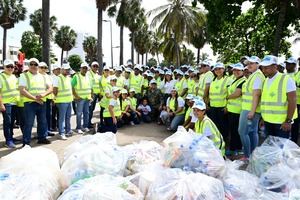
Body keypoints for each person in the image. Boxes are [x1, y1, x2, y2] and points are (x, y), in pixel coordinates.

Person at [260, 55, 297, 138]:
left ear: (275, 66)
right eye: (263, 67)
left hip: (281, 123)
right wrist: (263, 118)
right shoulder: (266, 81)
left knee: (281, 149)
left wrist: (288, 121)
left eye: (267, 67)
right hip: (267, 121)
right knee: (271, 147)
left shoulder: (286, 79)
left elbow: (293, 101)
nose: (264, 70)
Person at [19, 58, 52, 146]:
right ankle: (26, 142)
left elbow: (50, 88)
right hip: (30, 103)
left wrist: (43, 95)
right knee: (28, 123)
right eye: (31, 64)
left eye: (35, 64)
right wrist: (35, 99)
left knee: (42, 121)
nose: (33, 66)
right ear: (28, 66)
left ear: (38, 66)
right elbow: (22, 90)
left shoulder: (44, 76)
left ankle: (42, 138)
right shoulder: (24, 76)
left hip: (42, 102)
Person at [239, 56, 265, 158]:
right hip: (250, 109)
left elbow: (256, 95)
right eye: (248, 63)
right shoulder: (254, 75)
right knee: (252, 132)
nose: (249, 65)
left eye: (252, 63)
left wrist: (252, 112)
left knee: (242, 132)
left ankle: (247, 155)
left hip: (250, 110)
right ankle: (252, 154)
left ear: (258, 65)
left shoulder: (257, 76)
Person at [226, 63, 246, 156]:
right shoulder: (235, 80)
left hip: (238, 110)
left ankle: (236, 149)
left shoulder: (243, 81)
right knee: (233, 131)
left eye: (238, 70)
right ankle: (234, 148)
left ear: (242, 71)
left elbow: (237, 94)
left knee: (236, 131)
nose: (236, 72)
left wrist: (226, 97)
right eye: (234, 70)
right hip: (231, 110)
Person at [208, 63, 231, 142]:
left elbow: (229, 94)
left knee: (223, 126)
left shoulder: (228, 79)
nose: (218, 71)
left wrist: (227, 106)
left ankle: (223, 141)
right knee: (214, 125)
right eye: (216, 69)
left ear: (223, 69)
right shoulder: (213, 80)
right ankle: (216, 140)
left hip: (222, 107)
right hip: (213, 106)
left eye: (220, 68)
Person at [0, 59, 19, 148]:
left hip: (14, 102)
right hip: (6, 103)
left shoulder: (13, 76)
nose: (10, 68)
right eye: (8, 66)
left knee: (12, 122)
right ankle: (8, 140)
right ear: (4, 67)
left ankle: (11, 137)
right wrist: (1, 104)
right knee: (7, 122)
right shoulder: (1, 77)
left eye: (12, 66)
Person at [53, 63, 73, 140]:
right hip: (61, 101)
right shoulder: (58, 78)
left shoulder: (68, 78)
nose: (67, 71)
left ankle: (68, 131)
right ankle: (61, 133)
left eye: (68, 69)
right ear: (62, 70)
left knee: (68, 117)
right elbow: (55, 90)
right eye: (66, 69)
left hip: (69, 100)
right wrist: (56, 98)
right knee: (62, 118)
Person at [72, 62, 92, 134]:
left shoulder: (88, 76)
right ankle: (78, 128)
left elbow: (89, 87)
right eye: (83, 68)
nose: (84, 69)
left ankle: (85, 126)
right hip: (79, 99)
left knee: (86, 113)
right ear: (80, 68)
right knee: (79, 113)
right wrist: (76, 96)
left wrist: (90, 97)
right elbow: (72, 87)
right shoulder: (76, 76)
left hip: (87, 98)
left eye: (86, 68)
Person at [38, 62, 55, 136]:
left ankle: (47, 130)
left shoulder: (48, 76)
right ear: (38, 68)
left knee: (48, 115)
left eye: (45, 67)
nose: (44, 69)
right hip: (42, 99)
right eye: (42, 67)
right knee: (42, 117)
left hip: (49, 98)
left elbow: (51, 87)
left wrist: (53, 98)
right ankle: (42, 132)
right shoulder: (37, 76)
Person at [286, 57, 299, 143]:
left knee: (295, 123)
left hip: (297, 102)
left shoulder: (296, 75)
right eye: (287, 63)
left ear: (294, 65)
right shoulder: (284, 75)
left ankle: (293, 141)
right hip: (287, 103)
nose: (287, 65)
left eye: (290, 64)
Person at [87, 61, 101, 129]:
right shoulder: (89, 74)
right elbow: (89, 85)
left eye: (96, 66)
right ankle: (87, 123)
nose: (95, 67)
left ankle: (89, 122)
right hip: (92, 94)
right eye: (94, 66)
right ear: (91, 67)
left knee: (92, 109)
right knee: (89, 109)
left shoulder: (97, 75)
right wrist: (91, 94)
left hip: (96, 94)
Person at [50, 64, 61, 132]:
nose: (58, 71)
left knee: (59, 114)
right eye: (57, 69)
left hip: (60, 99)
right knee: (53, 114)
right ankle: (53, 126)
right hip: (53, 98)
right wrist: (53, 99)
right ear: (53, 71)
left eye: (59, 69)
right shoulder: (50, 78)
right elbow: (52, 89)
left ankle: (58, 126)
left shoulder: (60, 77)